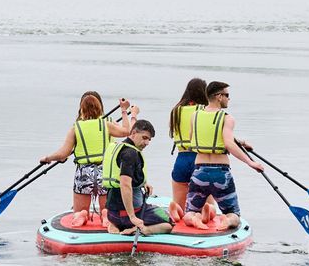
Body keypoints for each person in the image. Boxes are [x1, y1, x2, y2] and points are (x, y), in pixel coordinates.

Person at [39, 91, 136, 221]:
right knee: (107, 210)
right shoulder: (106, 124)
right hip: (105, 172)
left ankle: (81, 215)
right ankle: (105, 215)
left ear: (81, 109)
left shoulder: (76, 128)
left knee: (79, 212)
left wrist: (48, 158)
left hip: (84, 173)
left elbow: (63, 153)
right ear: (100, 108)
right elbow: (126, 131)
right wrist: (124, 110)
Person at [182, 79, 262, 232]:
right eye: (227, 95)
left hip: (199, 172)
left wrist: (241, 142)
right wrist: (250, 162)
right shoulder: (227, 118)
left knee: (189, 212)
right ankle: (227, 220)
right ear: (219, 96)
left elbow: (198, 138)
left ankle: (193, 218)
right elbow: (228, 144)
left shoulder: (195, 116)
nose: (228, 99)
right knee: (234, 214)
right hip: (221, 173)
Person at [103, 121, 172, 237]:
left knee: (122, 214)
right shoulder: (130, 154)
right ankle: (141, 229)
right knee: (168, 223)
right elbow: (125, 185)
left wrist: (143, 183)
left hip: (113, 215)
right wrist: (132, 217)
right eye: (144, 138)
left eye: (149, 140)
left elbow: (121, 176)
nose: (147, 143)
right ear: (133, 133)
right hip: (130, 215)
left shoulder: (118, 147)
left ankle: (115, 224)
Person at [166, 76, 206, 221]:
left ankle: (175, 210)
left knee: (180, 208)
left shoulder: (176, 111)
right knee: (207, 206)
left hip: (181, 159)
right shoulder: (204, 111)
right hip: (201, 159)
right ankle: (206, 213)